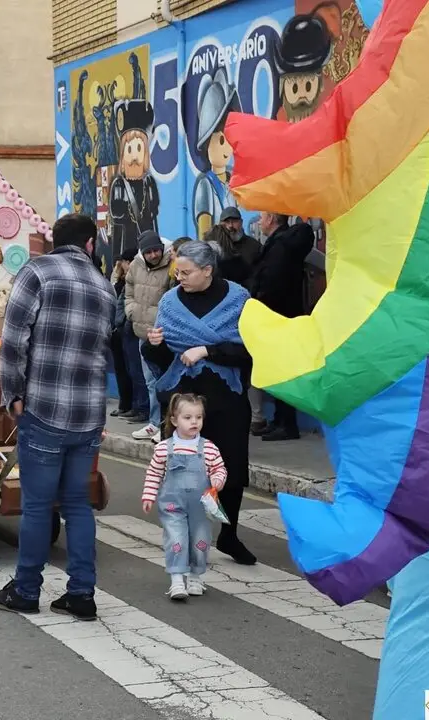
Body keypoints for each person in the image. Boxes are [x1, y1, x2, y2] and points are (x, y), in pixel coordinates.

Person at [0, 213, 115, 620]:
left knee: (37, 506)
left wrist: (12, 394)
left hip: (43, 408)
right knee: (77, 504)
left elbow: (14, 341)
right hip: (88, 413)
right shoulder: (104, 286)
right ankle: (81, 593)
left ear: (54, 240)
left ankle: (26, 590)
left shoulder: (37, 272)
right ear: (90, 244)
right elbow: (105, 350)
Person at [143, 240, 257, 565]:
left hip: (227, 399)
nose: (179, 277)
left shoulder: (239, 299)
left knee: (231, 469)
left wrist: (208, 351)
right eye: (177, 271)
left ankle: (229, 535)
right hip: (184, 402)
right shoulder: (170, 302)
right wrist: (154, 344)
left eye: (186, 272)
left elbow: (251, 348)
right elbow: (160, 357)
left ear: (207, 270)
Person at [141, 393, 227, 600]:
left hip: (201, 506)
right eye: (187, 417)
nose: (194, 422)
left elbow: (219, 469)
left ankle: (196, 577)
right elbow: (154, 474)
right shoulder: (163, 448)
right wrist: (148, 496)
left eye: (198, 417)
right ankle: (177, 580)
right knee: (176, 539)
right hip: (173, 505)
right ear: (174, 420)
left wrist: (217, 480)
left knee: (200, 541)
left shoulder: (209, 448)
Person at [249, 212, 315, 441]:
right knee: (279, 369)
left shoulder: (280, 247)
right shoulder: (283, 244)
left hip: (278, 316)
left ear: (271, 220)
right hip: (287, 314)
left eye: (262, 217)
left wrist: (259, 302)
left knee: (281, 371)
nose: (259, 222)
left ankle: (287, 424)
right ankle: (280, 420)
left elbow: (272, 282)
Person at [125, 230, 172, 440]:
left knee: (166, 381)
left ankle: (167, 426)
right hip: (143, 333)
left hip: (163, 336)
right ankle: (154, 424)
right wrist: (131, 311)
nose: (154, 255)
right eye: (149, 252)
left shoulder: (172, 265)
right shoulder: (136, 265)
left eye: (156, 250)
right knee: (150, 381)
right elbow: (128, 289)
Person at [109, 249, 144, 419]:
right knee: (123, 369)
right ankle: (126, 404)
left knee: (134, 370)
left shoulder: (137, 279)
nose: (123, 265)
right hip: (118, 329)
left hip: (128, 327)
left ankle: (138, 406)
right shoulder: (120, 280)